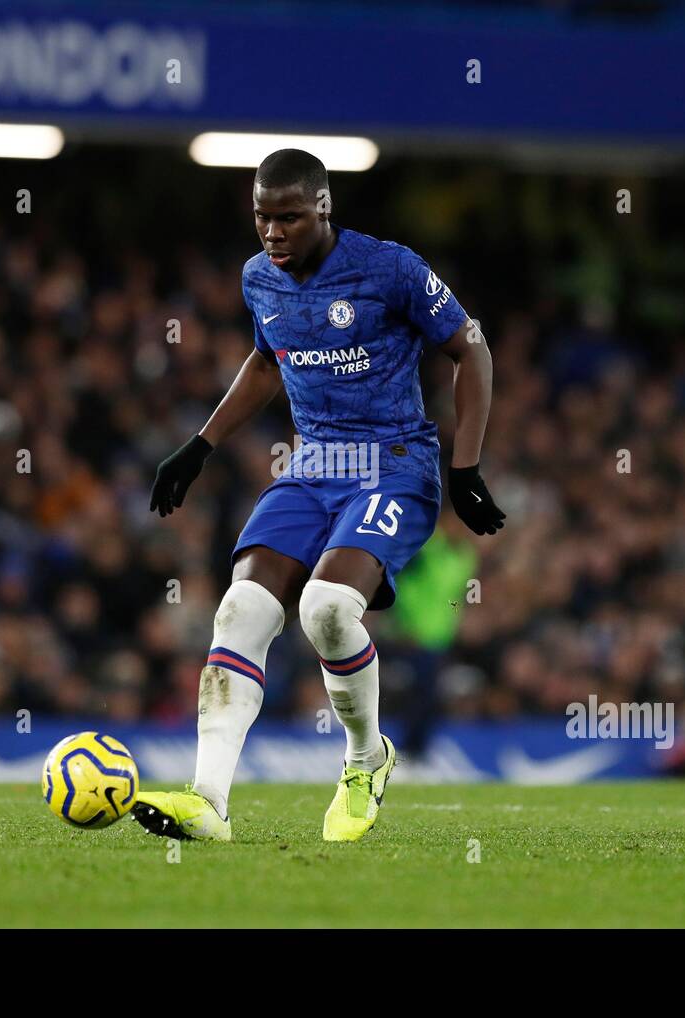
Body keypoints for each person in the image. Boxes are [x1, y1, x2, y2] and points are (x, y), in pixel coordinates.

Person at [133, 149, 504, 842]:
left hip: (395, 464)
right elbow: (269, 356)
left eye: (289, 217)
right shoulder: (258, 281)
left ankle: (366, 759)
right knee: (240, 609)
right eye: (262, 217)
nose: (272, 232)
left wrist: (466, 467)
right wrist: (201, 445)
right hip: (311, 467)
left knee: (328, 608)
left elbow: (471, 349)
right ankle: (208, 800)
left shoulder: (389, 268)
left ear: (324, 208)